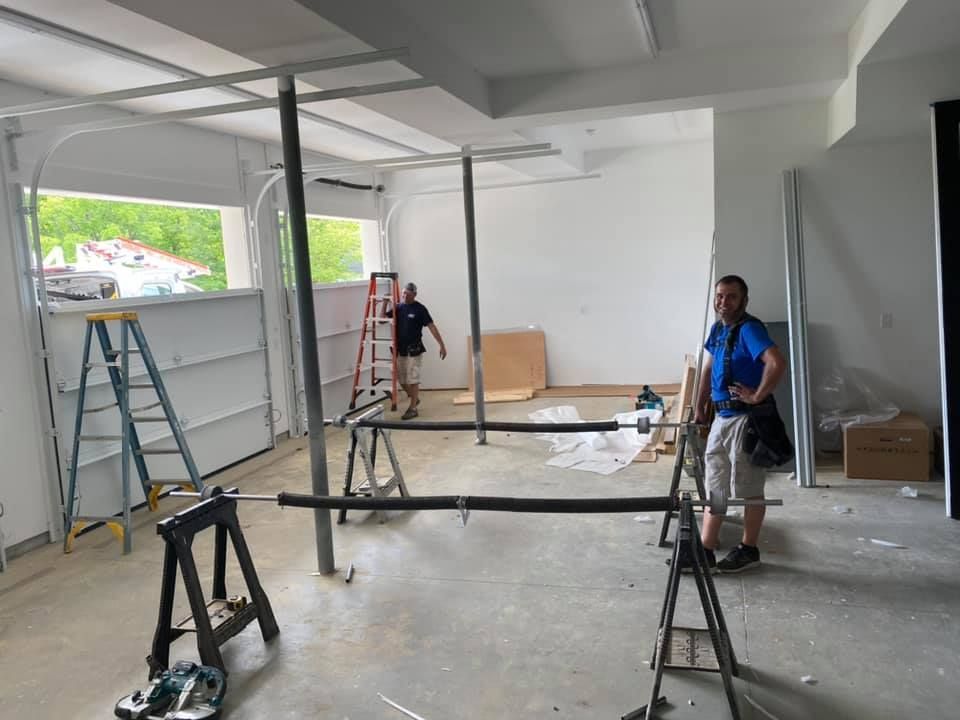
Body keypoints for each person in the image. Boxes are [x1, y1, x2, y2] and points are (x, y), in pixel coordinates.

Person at [693, 274, 786, 573]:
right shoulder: (718, 330)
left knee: (748, 487)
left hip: (745, 420)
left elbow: (776, 362)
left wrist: (757, 396)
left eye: (731, 296)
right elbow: (708, 369)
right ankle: (705, 549)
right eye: (719, 296)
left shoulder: (750, 329)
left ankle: (749, 548)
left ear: (744, 300)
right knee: (716, 484)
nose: (723, 302)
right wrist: (699, 406)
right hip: (721, 418)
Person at [389, 282, 446, 419]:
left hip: (414, 350)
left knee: (413, 379)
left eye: (407, 294)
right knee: (401, 380)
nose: (404, 296)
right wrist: (386, 302)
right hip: (400, 350)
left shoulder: (420, 309)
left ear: (414, 294)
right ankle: (415, 398)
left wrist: (442, 345)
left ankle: (413, 408)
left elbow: (432, 327)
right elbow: (382, 319)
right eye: (403, 293)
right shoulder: (398, 307)